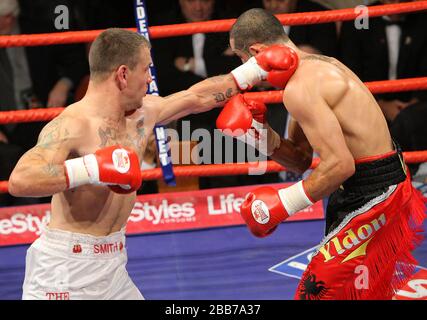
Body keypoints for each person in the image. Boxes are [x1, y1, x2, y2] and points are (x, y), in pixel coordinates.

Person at [8, 27, 297, 299]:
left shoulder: (143, 113)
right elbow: (21, 179)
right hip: (64, 270)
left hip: (113, 265)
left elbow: (197, 97)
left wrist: (254, 69)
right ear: (122, 74)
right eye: (146, 69)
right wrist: (90, 168)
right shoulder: (73, 125)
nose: (150, 78)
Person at [217, 8, 426, 300]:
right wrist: (262, 137)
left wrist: (282, 205)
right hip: (374, 186)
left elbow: (340, 165)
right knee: (363, 292)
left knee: (313, 294)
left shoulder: (302, 86)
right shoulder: (312, 68)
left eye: (241, 60)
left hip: (376, 194)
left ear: (255, 52)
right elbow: (302, 158)